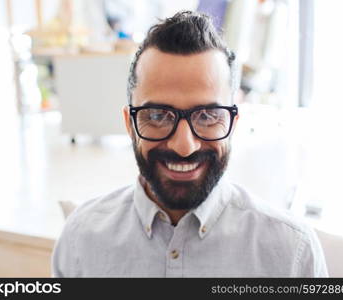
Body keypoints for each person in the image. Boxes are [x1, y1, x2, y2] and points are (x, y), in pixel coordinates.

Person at [52, 11, 328, 277]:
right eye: (159, 115)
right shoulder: (80, 240)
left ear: (233, 122)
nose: (185, 146)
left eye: (208, 116)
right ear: (129, 124)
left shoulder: (292, 252)